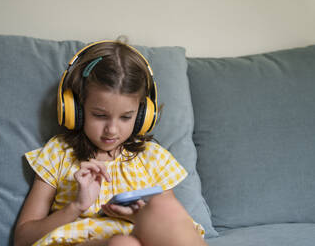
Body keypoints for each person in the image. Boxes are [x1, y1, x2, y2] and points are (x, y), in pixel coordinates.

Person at [14, 39, 207, 246]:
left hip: (139, 236)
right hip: (82, 241)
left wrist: (139, 217)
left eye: (125, 117)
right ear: (76, 111)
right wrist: (76, 206)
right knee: (123, 244)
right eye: (99, 115)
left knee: (164, 209)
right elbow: (22, 239)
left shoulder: (153, 157)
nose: (112, 130)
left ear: (143, 115)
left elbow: (175, 227)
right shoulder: (59, 153)